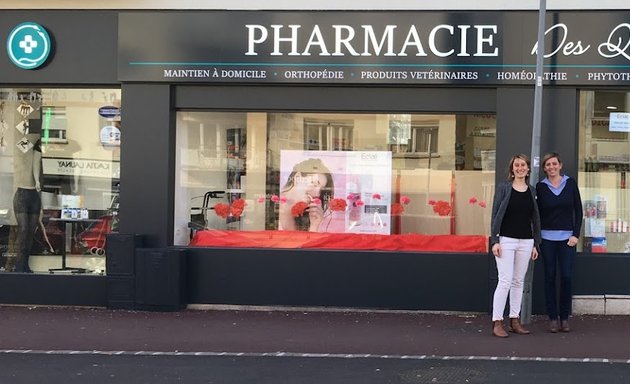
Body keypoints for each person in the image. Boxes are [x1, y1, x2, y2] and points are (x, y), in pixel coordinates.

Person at [490, 154, 541, 338]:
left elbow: (535, 218)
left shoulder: (532, 191)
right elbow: (495, 213)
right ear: (512, 169)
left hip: (526, 242)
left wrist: (536, 243)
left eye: (523, 165)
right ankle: (497, 322)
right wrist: (494, 240)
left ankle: (514, 319)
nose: (520, 168)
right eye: (516, 165)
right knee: (505, 281)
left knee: (519, 281)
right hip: (506, 240)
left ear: (528, 169)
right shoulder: (504, 188)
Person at [536, 152, 583, 333]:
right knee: (549, 277)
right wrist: (536, 238)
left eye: (554, 164)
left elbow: (578, 211)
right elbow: (536, 215)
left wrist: (576, 234)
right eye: (548, 165)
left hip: (567, 240)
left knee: (566, 277)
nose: (551, 167)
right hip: (547, 239)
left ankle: (565, 317)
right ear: (544, 168)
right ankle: (553, 318)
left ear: (560, 165)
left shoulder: (570, 184)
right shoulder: (540, 187)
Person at [13, 133, 43, 273]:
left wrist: (37, 180)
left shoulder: (38, 145)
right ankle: (19, 265)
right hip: (21, 193)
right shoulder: (22, 145)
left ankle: (25, 264)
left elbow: (36, 163)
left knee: (30, 232)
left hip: (34, 194)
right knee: (23, 230)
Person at [278, 158, 334, 232]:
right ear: (297, 177)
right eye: (314, 183)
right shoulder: (272, 205)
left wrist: (314, 225)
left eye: (321, 190)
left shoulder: (303, 218)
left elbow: (307, 243)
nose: (317, 194)